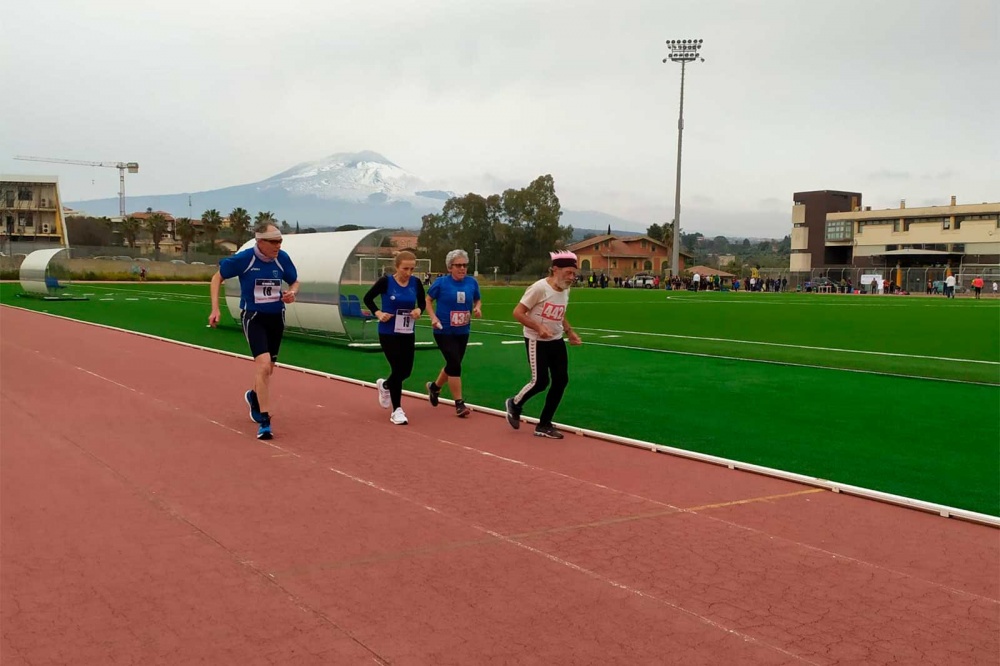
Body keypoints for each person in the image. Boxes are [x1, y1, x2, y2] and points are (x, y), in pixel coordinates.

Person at [208, 223, 300, 440]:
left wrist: (292, 293)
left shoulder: (282, 258)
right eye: (274, 241)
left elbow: (294, 281)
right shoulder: (245, 259)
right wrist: (215, 308)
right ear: (260, 241)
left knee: (269, 370)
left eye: (280, 241)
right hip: (254, 317)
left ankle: (254, 396)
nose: (279, 245)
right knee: (263, 363)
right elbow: (216, 277)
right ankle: (265, 422)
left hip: (276, 317)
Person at [504, 251, 583, 439]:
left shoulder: (565, 289)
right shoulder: (538, 288)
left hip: (556, 339)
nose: (572, 278)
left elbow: (560, 312)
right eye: (568, 273)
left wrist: (569, 332)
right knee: (540, 382)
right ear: (555, 270)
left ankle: (544, 424)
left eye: (574, 274)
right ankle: (514, 404)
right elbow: (518, 313)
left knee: (561, 380)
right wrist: (538, 327)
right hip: (536, 340)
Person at [364, 250, 425, 425]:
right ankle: (397, 410)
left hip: (407, 331)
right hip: (388, 332)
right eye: (405, 268)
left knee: (406, 371)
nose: (408, 273)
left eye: (412, 269)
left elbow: (422, 302)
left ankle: (385, 385)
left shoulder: (416, 283)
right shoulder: (386, 282)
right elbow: (368, 298)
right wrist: (378, 313)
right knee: (398, 367)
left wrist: (418, 310)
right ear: (397, 267)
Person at [426, 249, 482, 418]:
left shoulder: (472, 283)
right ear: (450, 267)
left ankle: (435, 387)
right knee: (455, 364)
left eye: (464, 265)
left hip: (463, 330)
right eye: (458, 265)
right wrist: (433, 317)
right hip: (443, 330)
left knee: (452, 364)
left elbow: (477, 299)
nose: (462, 269)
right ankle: (459, 404)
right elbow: (428, 300)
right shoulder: (441, 283)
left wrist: (478, 307)